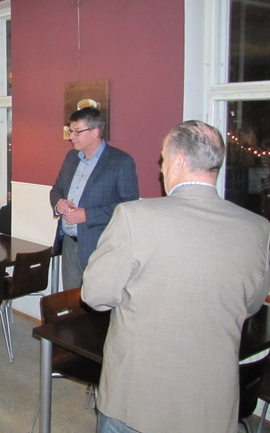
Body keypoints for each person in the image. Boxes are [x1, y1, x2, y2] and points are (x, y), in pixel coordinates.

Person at [81, 120, 270, 433]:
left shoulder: (134, 216)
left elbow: (95, 295)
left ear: (179, 161)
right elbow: (250, 305)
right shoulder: (258, 229)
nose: (161, 169)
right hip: (212, 402)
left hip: (136, 397)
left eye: (163, 159)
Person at [49, 107, 138, 289]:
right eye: (70, 131)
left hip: (99, 246)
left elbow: (128, 206)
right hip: (69, 244)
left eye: (77, 132)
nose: (71, 137)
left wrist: (87, 215)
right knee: (69, 301)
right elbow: (56, 189)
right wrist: (59, 203)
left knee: (96, 302)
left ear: (95, 132)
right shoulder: (71, 157)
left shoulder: (120, 161)